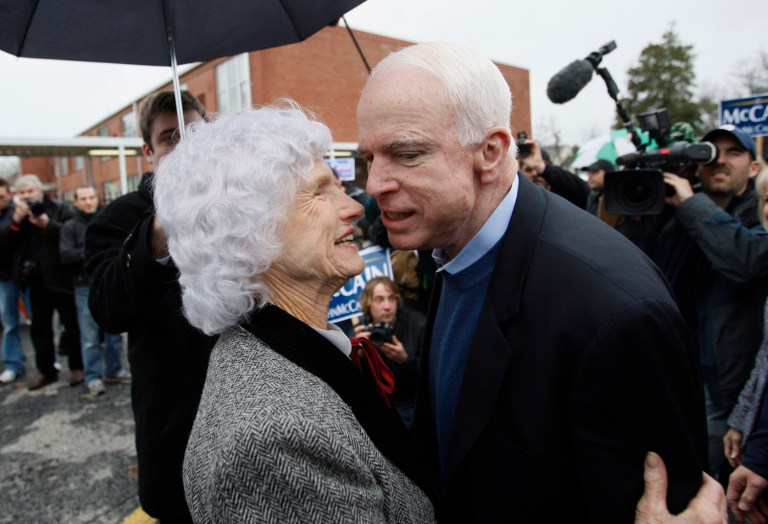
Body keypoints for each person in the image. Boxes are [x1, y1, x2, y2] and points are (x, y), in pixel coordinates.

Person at [356, 41, 712, 522]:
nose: (375, 184)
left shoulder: (613, 312)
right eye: (370, 158)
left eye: (406, 154)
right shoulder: (450, 246)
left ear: (491, 151)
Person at [154, 103, 437, 522]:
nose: (355, 207)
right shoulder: (271, 439)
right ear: (247, 232)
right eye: (320, 190)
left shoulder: (287, 350)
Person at [84, 91, 216, 522]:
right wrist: (159, 231)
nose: (185, 146)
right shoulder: (118, 217)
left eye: (195, 133)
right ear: (148, 152)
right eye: (170, 138)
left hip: (248, 398)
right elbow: (107, 306)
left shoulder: (235, 203)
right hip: (174, 408)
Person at [656, 126, 766, 484]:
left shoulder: (759, 217)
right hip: (677, 371)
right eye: (710, 151)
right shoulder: (678, 213)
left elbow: (746, 260)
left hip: (727, 390)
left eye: (734, 152)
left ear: (754, 167)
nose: (720, 160)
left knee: (717, 485)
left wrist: (691, 204)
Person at [0, 174, 83, 390]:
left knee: (71, 326)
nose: (27, 196)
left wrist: (47, 224)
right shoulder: (16, 214)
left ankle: (77, 367)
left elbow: (70, 235)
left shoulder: (59, 208)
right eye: (22, 192)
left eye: (30, 191)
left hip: (61, 279)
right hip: (34, 281)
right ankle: (46, 371)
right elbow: (5, 244)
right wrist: (16, 222)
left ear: (40, 191)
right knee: (40, 330)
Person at [59, 186, 129, 397]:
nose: (88, 202)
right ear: (76, 201)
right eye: (83, 198)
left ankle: (114, 370)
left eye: (91, 197)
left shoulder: (107, 219)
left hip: (108, 283)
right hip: (84, 286)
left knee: (114, 332)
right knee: (89, 337)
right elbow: (65, 255)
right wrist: (92, 252)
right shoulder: (70, 226)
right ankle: (92, 377)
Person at [353, 276, 426, 427]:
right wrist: (356, 353)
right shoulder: (361, 330)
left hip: (413, 404)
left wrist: (405, 360)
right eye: (379, 300)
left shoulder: (417, 323)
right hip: (379, 408)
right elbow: (350, 381)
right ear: (368, 304)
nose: (387, 306)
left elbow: (432, 373)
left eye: (391, 298)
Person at [0, 178, 31, 384]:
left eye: (1, 196)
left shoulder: (21, 210)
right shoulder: (13, 217)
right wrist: (15, 223)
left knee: (38, 321)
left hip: (26, 275)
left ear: (9, 194)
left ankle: (47, 361)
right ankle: (13, 363)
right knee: (10, 323)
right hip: (4, 277)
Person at [517, 137, 590, 208]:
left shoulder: (563, 191)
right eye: (529, 170)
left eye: (538, 169)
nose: (535, 174)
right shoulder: (521, 201)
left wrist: (542, 167)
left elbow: (586, 191)